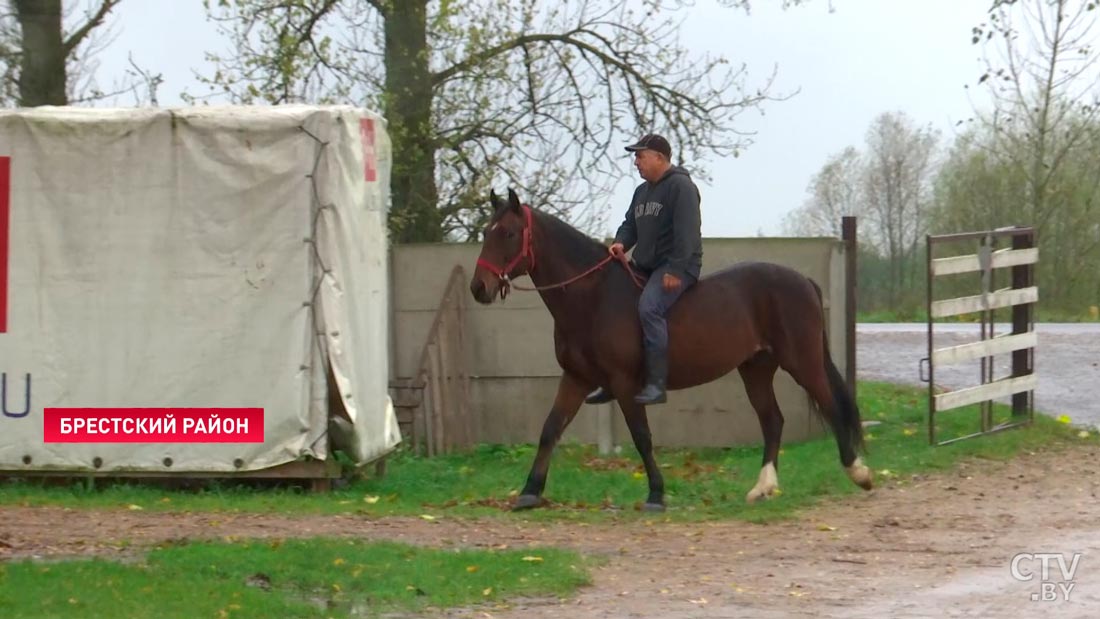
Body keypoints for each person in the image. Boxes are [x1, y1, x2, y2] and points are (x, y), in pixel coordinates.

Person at [586, 133, 703, 406]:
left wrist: (675, 269)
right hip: (646, 265)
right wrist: (620, 243)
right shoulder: (642, 191)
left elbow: (687, 235)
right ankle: (613, 379)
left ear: (659, 157)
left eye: (640, 156)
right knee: (614, 305)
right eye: (635, 156)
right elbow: (630, 225)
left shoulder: (681, 187)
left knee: (649, 307)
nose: (636, 162)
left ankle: (656, 383)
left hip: (677, 266)